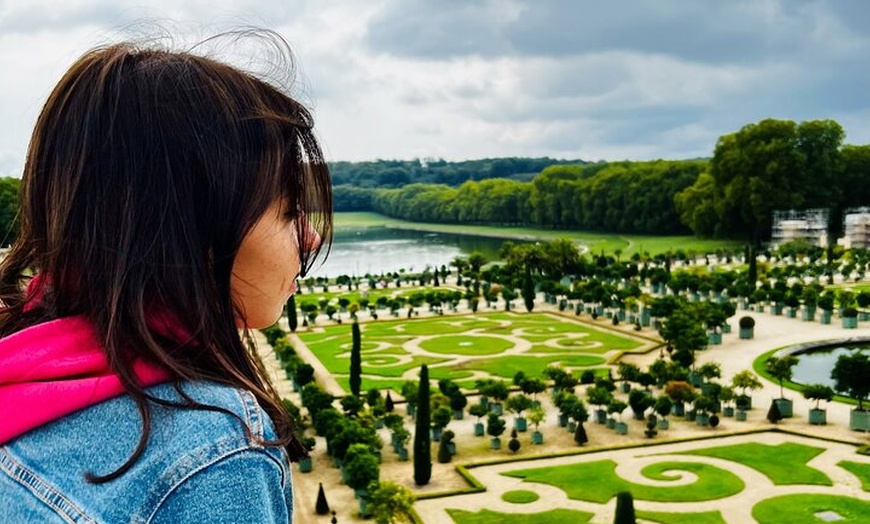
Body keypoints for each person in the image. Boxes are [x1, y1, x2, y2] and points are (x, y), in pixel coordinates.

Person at [0, 30, 332, 523]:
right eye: (288, 211)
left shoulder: (20, 358)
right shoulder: (214, 452)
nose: (309, 238)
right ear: (194, 230)